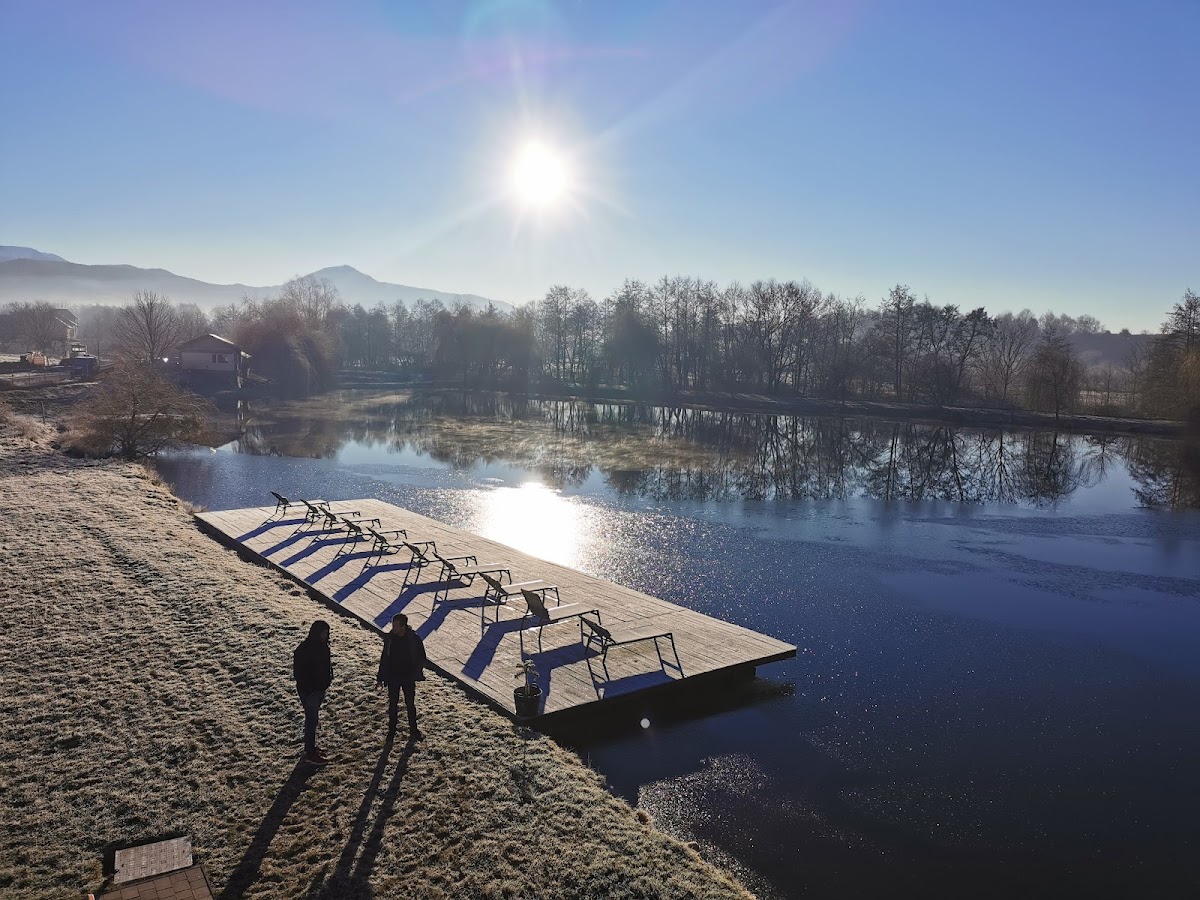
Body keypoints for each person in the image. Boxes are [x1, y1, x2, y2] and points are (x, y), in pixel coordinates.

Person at [377, 613, 427, 739]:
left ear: (403, 627)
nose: (393, 628)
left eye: (395, 625)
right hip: (393, 677)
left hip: (408, 677)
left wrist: (415, 671)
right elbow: (384, 658)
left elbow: (422, 657)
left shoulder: (413, 639)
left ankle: (413, 730)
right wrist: (380, 678)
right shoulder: (390, 639)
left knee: (410, 704)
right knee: (392, 704)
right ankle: (392, 730)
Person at [293, 620, 333, 765]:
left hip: (317, 689)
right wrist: (310, 689)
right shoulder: (307, 649)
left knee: (313, 720)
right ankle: (310, 752)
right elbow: (299, 673)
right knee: (311, 721)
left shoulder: (320, 646)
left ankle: (311, 748)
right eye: (323, 633)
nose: (325, 636)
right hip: (311, 692)